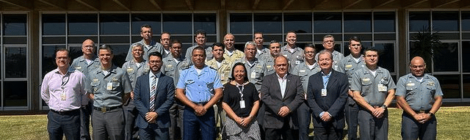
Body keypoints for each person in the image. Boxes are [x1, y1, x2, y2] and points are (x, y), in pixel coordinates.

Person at [176, 46, 223, 140]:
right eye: (196, 55)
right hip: (190, 110)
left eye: (201, 55)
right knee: (189, 137)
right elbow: (179, 92)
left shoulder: (212, 72)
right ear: (192, 57)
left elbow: (219, 93)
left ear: (205, 57)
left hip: (207, 109)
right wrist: (195, 107)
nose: (198, 57)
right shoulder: (185, 72)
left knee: (209, 137)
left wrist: (205, 108)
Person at [41, 48, 88, 140]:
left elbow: (85, 93)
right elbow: (44, 93)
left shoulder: (79, 75)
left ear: (69, 59)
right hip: (54, 116)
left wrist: (79, 104)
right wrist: (52, 103)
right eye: (59, 58)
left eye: (64, 57)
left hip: (72, 116)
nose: (61, 60)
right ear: (55, 59)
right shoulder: (49, 76)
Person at [87, 45, 132, 140]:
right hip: (97, 114)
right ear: (98, 56)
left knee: (117, 137)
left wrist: (116, 103)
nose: (104, 57)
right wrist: (98, 100)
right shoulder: (92, 73)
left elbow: (127, 93)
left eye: (107, 54)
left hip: (115, 113)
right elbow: (89, 93)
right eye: (102, 55)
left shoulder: (121, 73)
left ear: (112, 56)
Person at [351, 48, 396, 140]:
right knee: (366, 137)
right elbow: (356, 95)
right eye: (369, 56)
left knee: (382, 137)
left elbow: (392, 92)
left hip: (382, 111)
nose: (372, 58)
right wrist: (372, 109)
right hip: (365, 111)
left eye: (374, 56)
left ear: (378, 57)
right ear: (364, 58)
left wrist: (383, 107)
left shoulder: (385, 72)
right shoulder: (358, 73)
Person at [395, 56, 443, 140]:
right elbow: (400, 99)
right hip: (410, 117)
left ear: (424, 66)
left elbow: (439, 99)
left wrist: (430, 114)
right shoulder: (403, 80)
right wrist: (414, 115)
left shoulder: (433, 80)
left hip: (429, 117)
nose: (418, 69)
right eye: (415, 66)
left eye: (420, 66)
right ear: (410, 67)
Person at [307, 50, 348, 140]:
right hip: (319, 120)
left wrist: (330, 113)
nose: (324, 62)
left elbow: (343, 97)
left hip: (336, 119)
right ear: (318, 62)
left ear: (332, 61)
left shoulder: (342, 77)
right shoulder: (312, 78)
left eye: (327, 59)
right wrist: (321, 113)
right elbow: (310, 98)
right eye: (321, 60)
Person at [260, 55, 304, 140]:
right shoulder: (267, 79)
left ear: (288, 65)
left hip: (291, 119)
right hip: (272, 119)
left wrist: (288, 108)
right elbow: (265, 96)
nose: (281, 67)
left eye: (284, 65)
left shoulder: (296, 79)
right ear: (274, 66)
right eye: (279, 65)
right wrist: (278, 108)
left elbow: (300, 96)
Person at [134, 52, 175, 140]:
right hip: (144, 121)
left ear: (161, 63)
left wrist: (156, 114)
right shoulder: (140, 80)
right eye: (152, 61)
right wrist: (147, 115)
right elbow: (137, 99)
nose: (154, 64)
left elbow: (170, 100)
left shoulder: (168, 80)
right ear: (148, 63)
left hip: (161, 121)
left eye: (157, 61)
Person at [70, 39, 100, 140]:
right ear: (82, 49)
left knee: (97, 121)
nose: (88, 48)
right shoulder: (76, 62)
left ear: (94, 48)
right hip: (82, 96)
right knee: (83, 121)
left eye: (91, 46)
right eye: (86, 46)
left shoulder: (100, 60)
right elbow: (71, 77)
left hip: (96, 96)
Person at [222, 62, 261, 140]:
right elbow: (224, 104)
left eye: (241, 71)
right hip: (233, 122)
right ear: (233, 73)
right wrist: (236, 118)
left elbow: (256, 102)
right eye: (236, 71)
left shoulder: (251, 86)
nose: (239, 74)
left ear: (245, 73)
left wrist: (250, 117)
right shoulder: (228, 87)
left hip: (250, 122)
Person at [160, 40, 190, 140]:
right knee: (171, 125)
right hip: (169, 97)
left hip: (184, 97)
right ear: (170, 49)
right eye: (174, 47)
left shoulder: (186, 62)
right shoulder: (164, 61)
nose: (177, 49)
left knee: (184, 124)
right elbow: (161, 79)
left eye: (178, 47)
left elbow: (190, 79)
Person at [337, 36, 365, 140]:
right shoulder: (343, 62)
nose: (356, 47)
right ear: (349, 47)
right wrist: (352, 94)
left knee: (365, 126)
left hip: (366, 98)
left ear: (361, 46)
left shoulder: (366, 60)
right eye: (353, 45)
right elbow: (341, 82)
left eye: (358, 45)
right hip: (350, 99)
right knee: (352, 127)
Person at [291, 44, 320, 140]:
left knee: (319, 126)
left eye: (312, 52)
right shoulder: (298, 68)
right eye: (307, 52)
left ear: (315, 53)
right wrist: (302, 94)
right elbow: (293, 84)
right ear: (304, 54)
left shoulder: (320, 67)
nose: (310, 54)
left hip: (318, 101)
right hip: (303, 101)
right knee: (303, 126)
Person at [122, 43, 150, 140]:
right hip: (130, 99)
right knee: (128, 124)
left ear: (143, 52)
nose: (137, 52)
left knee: (143, 123)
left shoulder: (148, 64)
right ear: (132, 52)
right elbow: (123, 81)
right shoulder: (126, 65)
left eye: (139, 50)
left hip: (144, 99)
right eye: (135, 50)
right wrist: (129, 91)